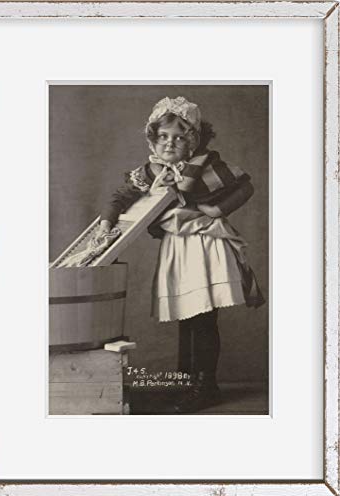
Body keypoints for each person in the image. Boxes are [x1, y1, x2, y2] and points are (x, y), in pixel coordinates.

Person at [99, 96, 264, 413]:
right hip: (177, 247)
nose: (170, 142)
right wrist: (107, 224)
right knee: (187, 318)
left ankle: (206, 387)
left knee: (203, 317)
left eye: (179, 136)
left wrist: (217, 208)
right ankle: (188, 384)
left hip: (206, 244)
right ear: (153, 138)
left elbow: (245, 186)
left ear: (193, 140)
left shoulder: (206, 166)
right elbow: (119, 198)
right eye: (163, 136)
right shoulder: (150, 172)